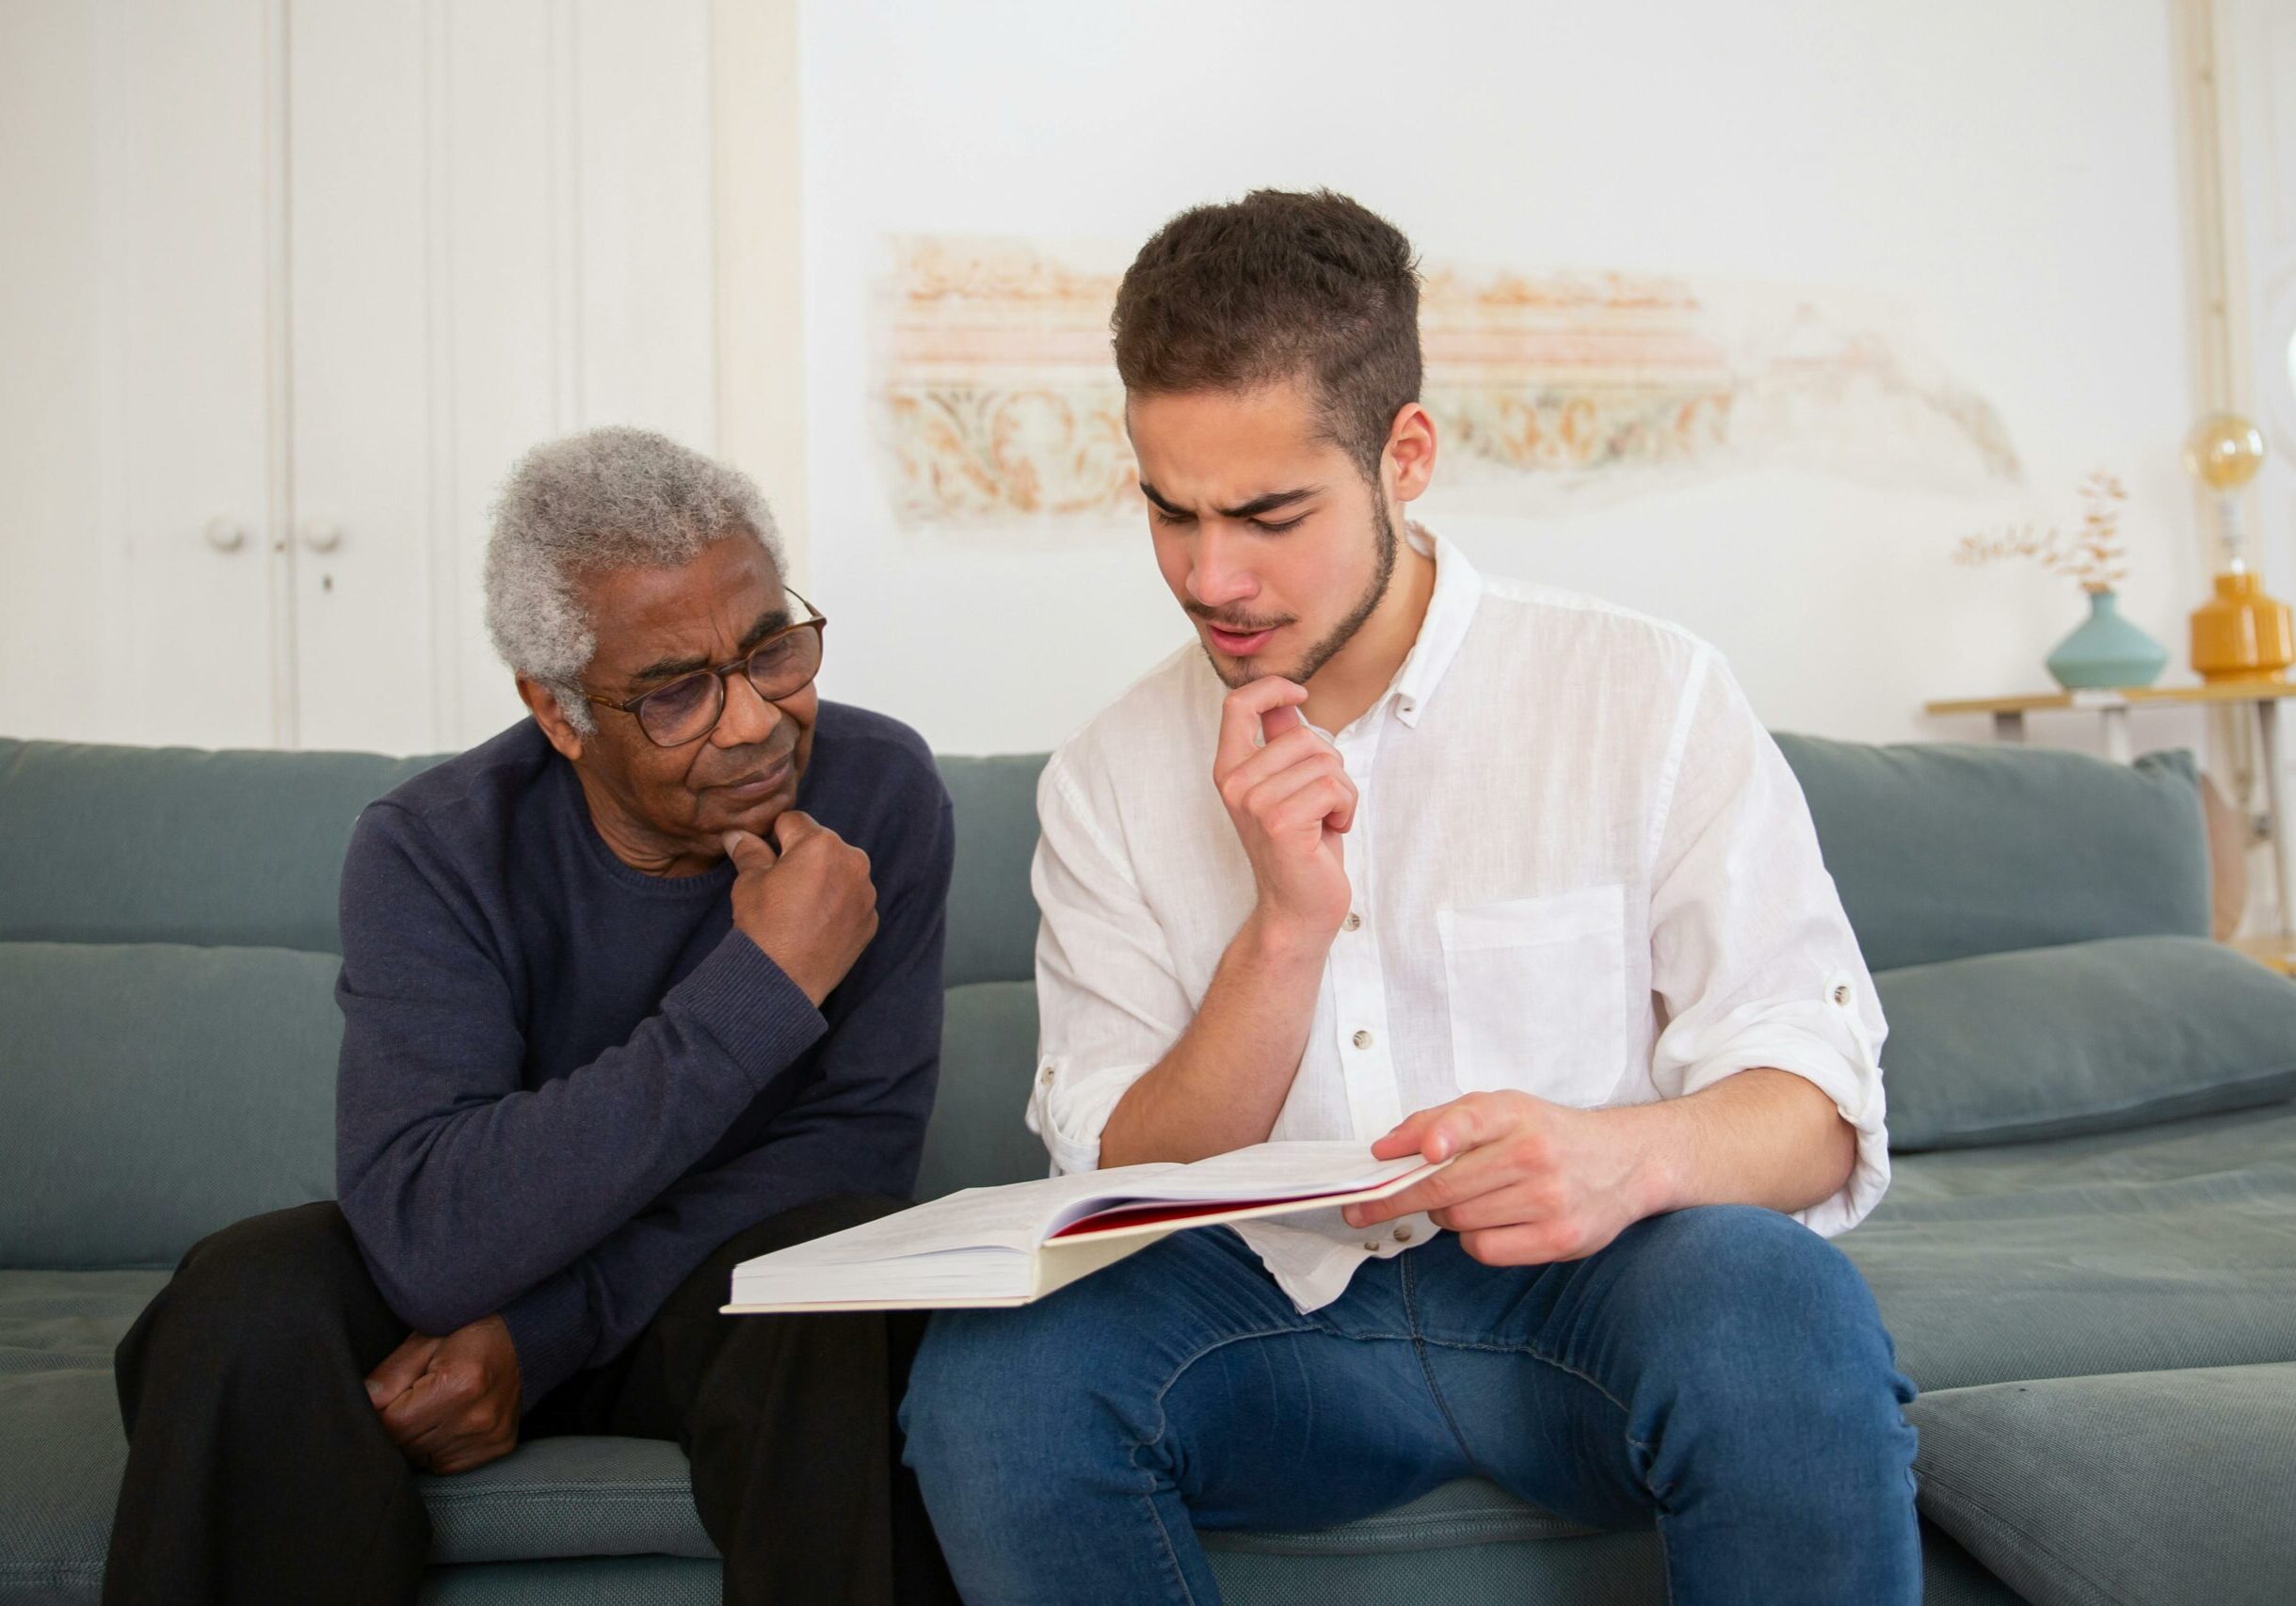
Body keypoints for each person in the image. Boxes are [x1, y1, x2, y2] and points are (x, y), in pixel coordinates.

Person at [901, 190, 1919, 1605]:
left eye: (1267, 514)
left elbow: (1814, 1101)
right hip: (1263, 1328)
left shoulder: (1642, 691)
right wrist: (1285, 931)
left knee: (1775, 1306)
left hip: (1589, 1300)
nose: (1210, 575)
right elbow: (1115, 1184)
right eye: (1168, 510)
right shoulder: (1107, 776)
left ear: (1405, 454)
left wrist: (1622, 1157)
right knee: (989, 1373)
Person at [106, 426, 957, 1606]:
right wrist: (761, 986)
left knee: (842, 1291)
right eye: (675, 693)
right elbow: (430, 1234)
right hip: (464, 1278)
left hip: (721, 1299)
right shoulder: (434, 844)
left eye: (772, 652)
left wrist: (542, 1332)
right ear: (558, 714)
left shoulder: (880, 792)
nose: (757, 720)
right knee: (243, 1294)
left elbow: (855, 1151)